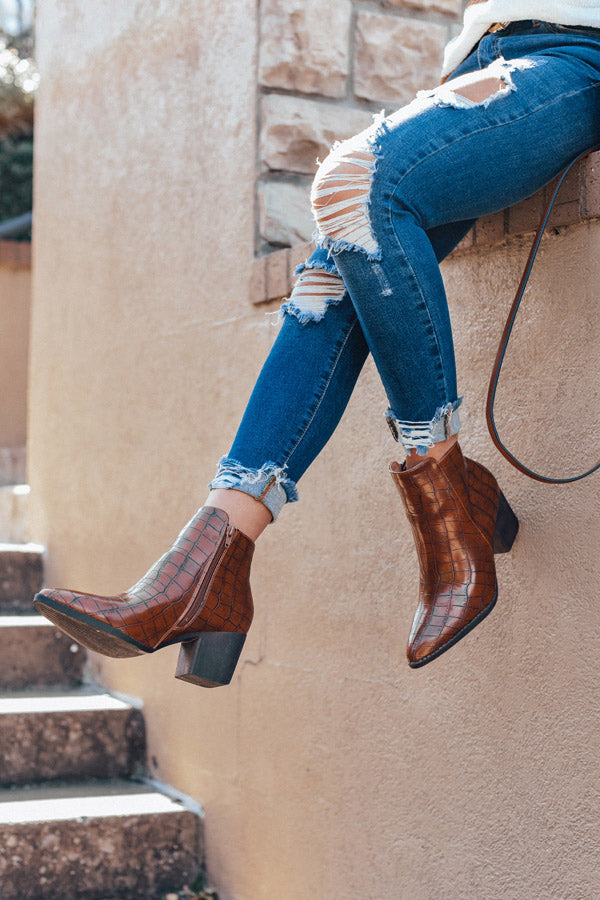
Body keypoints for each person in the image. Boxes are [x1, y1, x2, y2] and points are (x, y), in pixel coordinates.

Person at [33, 9, 600, 685]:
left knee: (354, 185)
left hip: (576, 58)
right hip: (481, 62)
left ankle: (449, 498)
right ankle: (208, 567)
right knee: (327, 284)